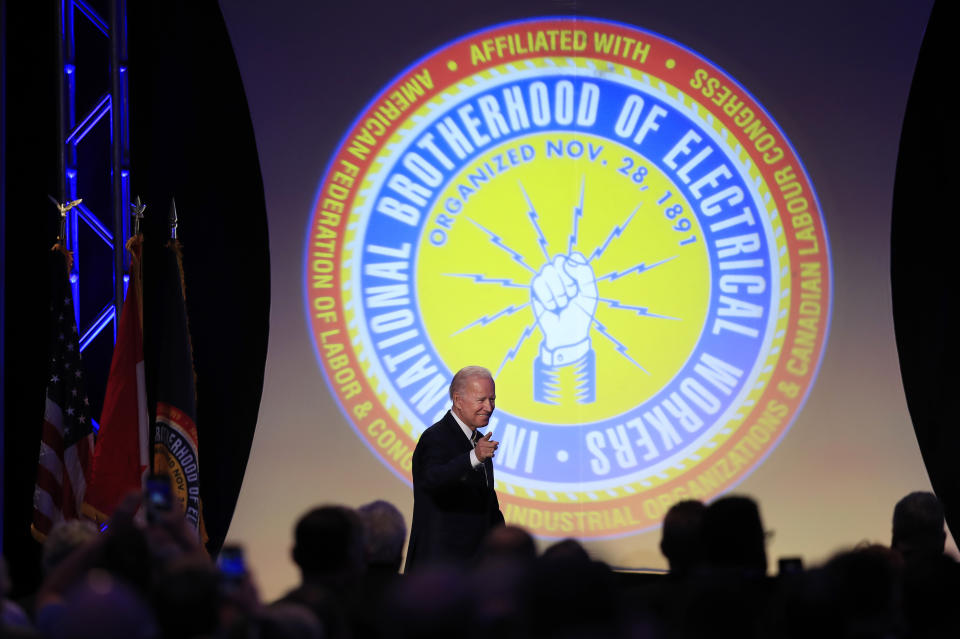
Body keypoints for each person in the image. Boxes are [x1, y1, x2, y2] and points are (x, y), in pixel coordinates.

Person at [404, 366, 504, 571]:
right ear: (458, 401)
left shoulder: (477, 442)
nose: (489, 407)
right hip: (441, 571)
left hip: (474, 568)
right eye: (481, 400)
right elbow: (432, 480)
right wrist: (473, 457)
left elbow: (487, 505)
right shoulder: (436, 437)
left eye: (492, 399)